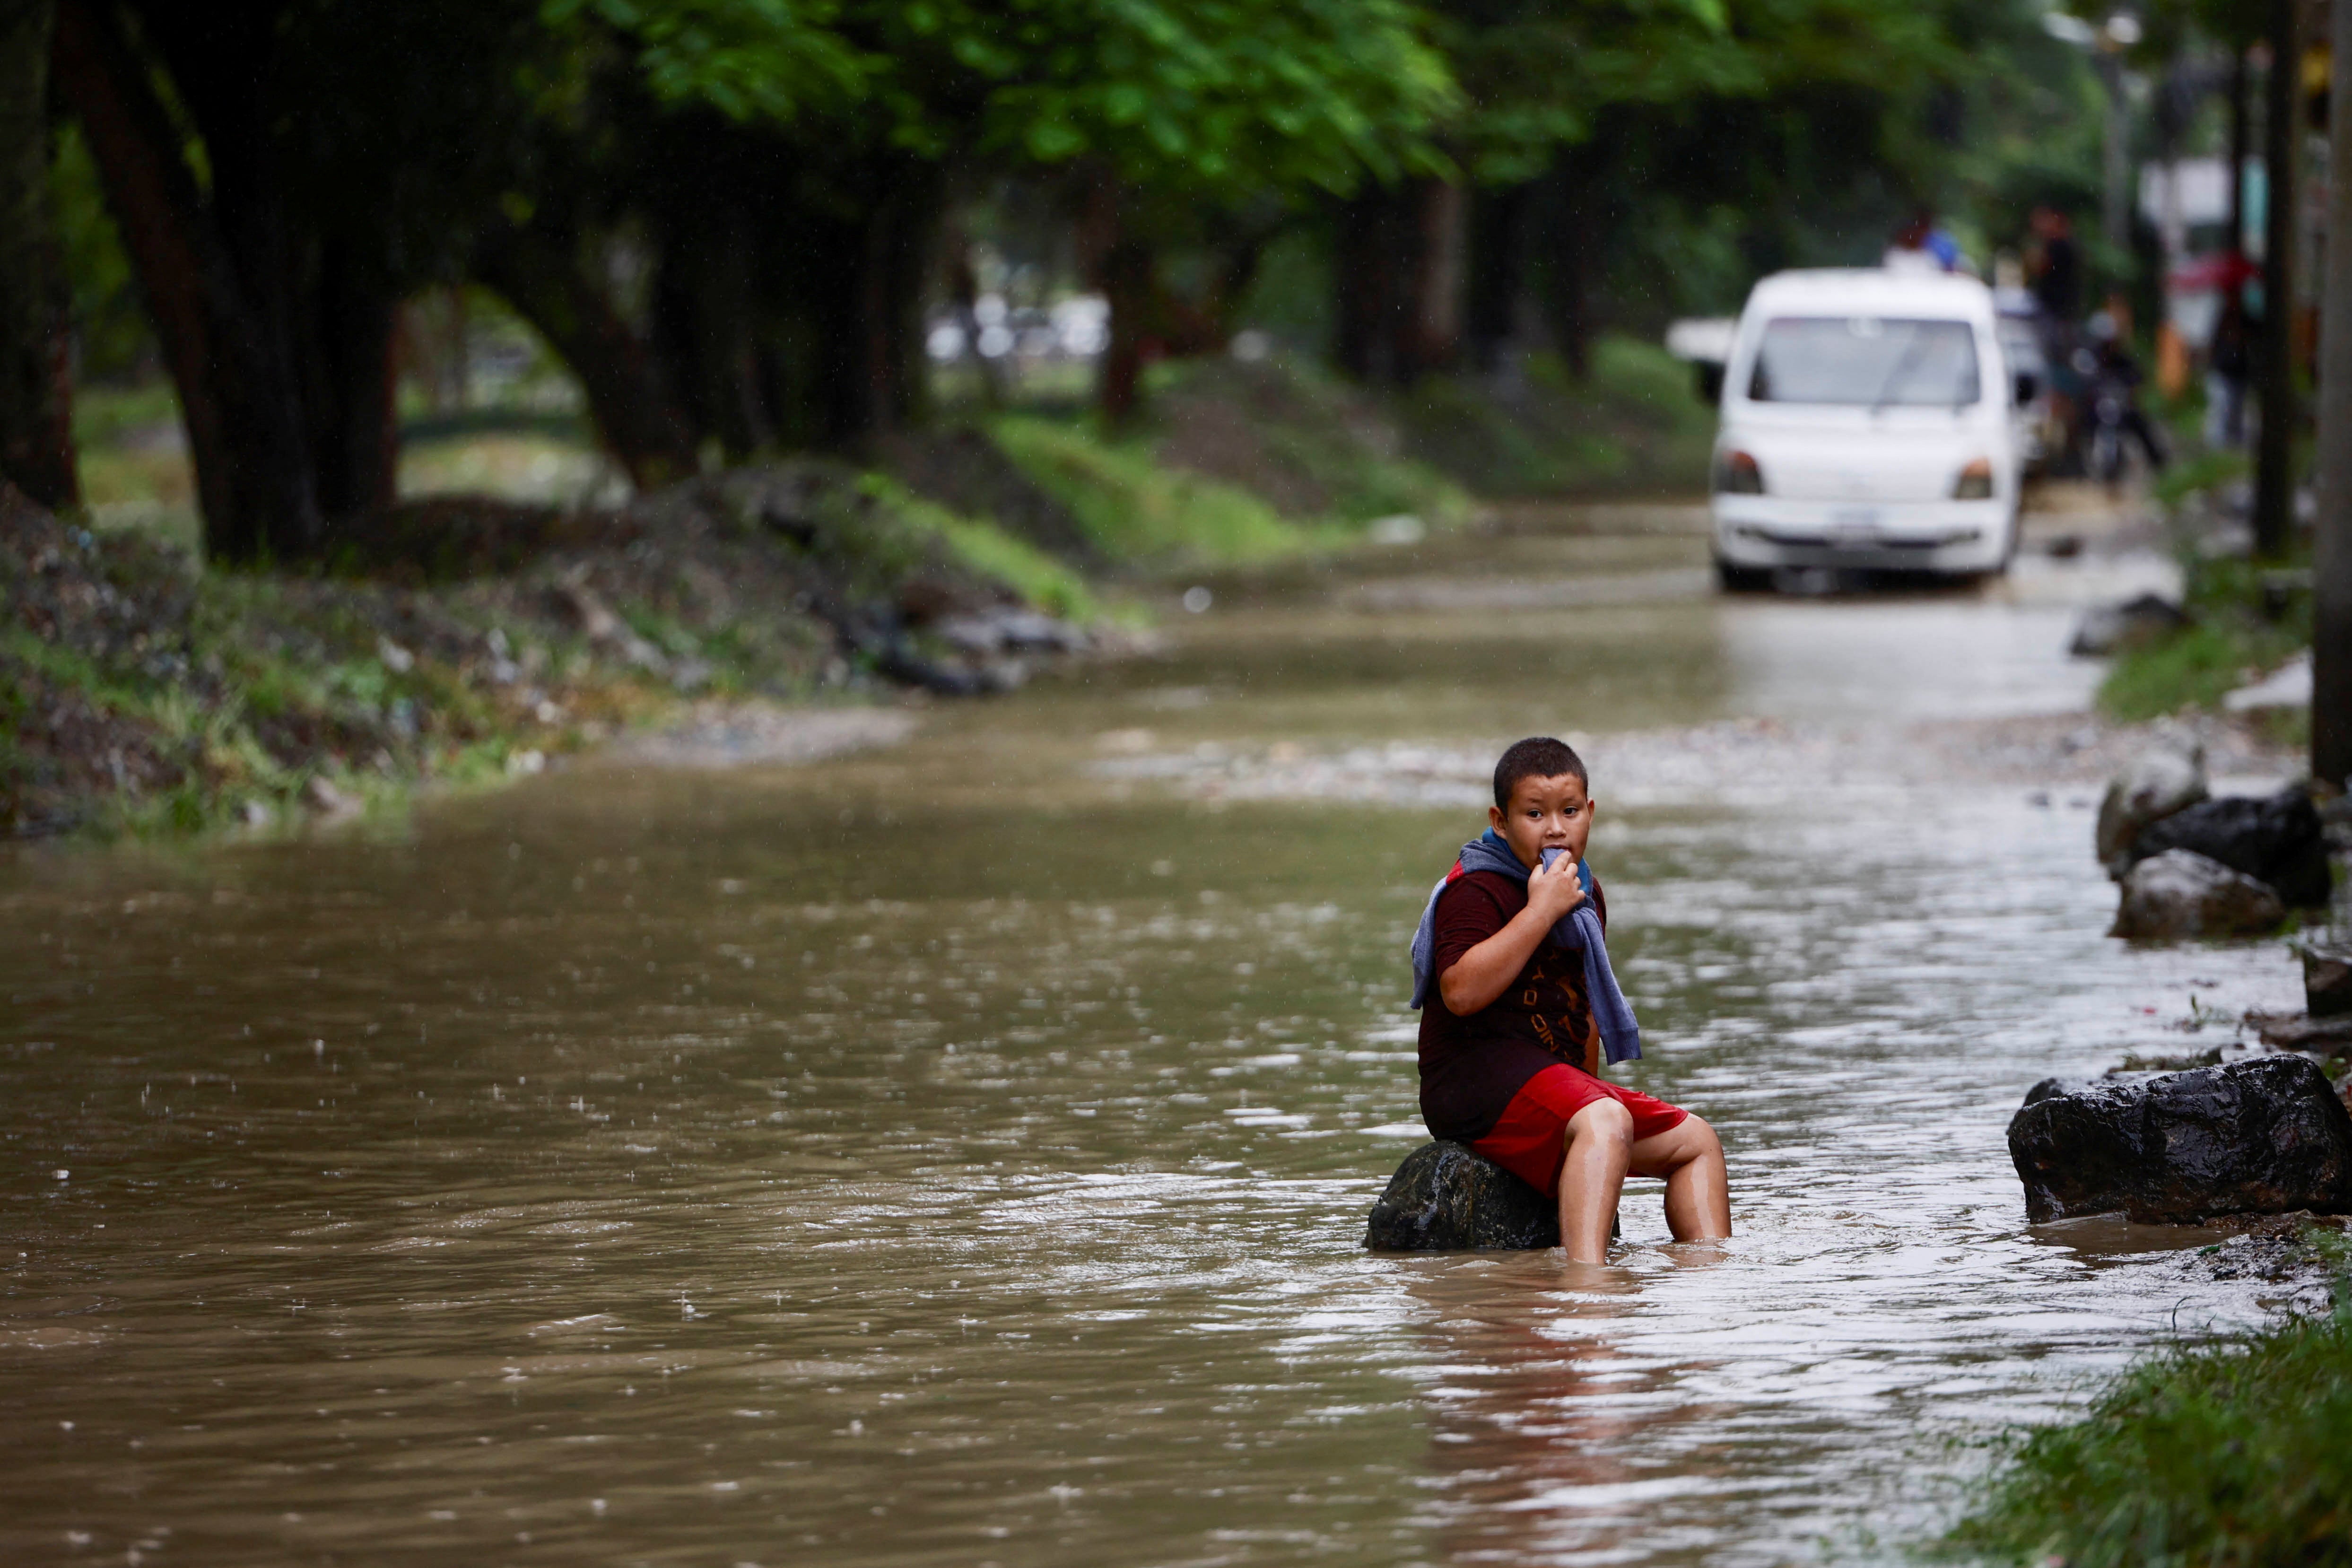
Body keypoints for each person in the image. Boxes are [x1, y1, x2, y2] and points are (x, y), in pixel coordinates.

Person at [1410, 737, 1732, 1264]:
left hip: (1553, 1086)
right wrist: (1540, 910)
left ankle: (1713, 1285)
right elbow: (1461, 992)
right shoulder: (1477, 887)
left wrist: (1589, 1095)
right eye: (1534, 814)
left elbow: (1582, 1012)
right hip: (1475, 1081)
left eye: (1570, 811)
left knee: (1695, 1140)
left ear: (1591, 813)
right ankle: (1588, 1288)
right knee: (1606, 1119)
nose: (1556, 829)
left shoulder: (1585, 893)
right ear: (1501, 820)